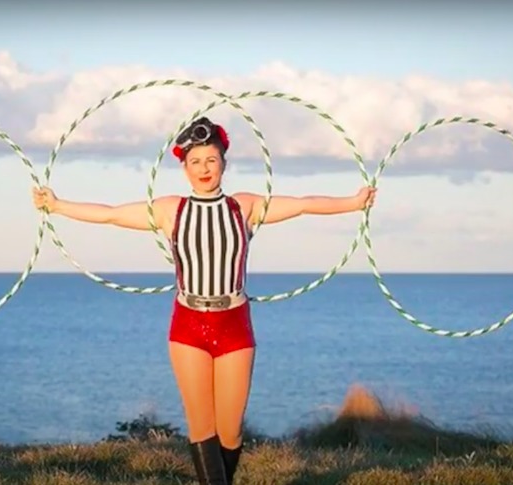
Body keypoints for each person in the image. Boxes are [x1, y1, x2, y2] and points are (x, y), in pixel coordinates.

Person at [32, 117, 376, 485]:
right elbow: (111, 215)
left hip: (234, 325)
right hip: (188, 325)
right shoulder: (170, 210)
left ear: (224, 163)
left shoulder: (243, 207)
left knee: (230, 433)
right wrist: (57, 206)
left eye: (211, 160)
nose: (204, 169)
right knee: (202, 427)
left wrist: (354, 203)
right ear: (183, 167)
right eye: (195, 162)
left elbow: (304, 205)